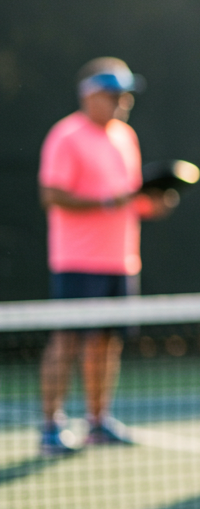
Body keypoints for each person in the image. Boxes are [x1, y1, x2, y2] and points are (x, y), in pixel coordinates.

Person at [37, 57, 178, 457]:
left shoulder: (126, 137)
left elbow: (127, 199)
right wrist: (106, 200)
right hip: (77, 260)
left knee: (107, 343)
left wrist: (151, 204)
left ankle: (98, 422)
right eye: (115, 94)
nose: (123, 101)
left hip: (121, 260)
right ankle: (50, 424)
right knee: (67, 341)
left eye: (126, 94)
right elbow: (51, 196)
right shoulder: (66, 136)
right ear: (90, 95)